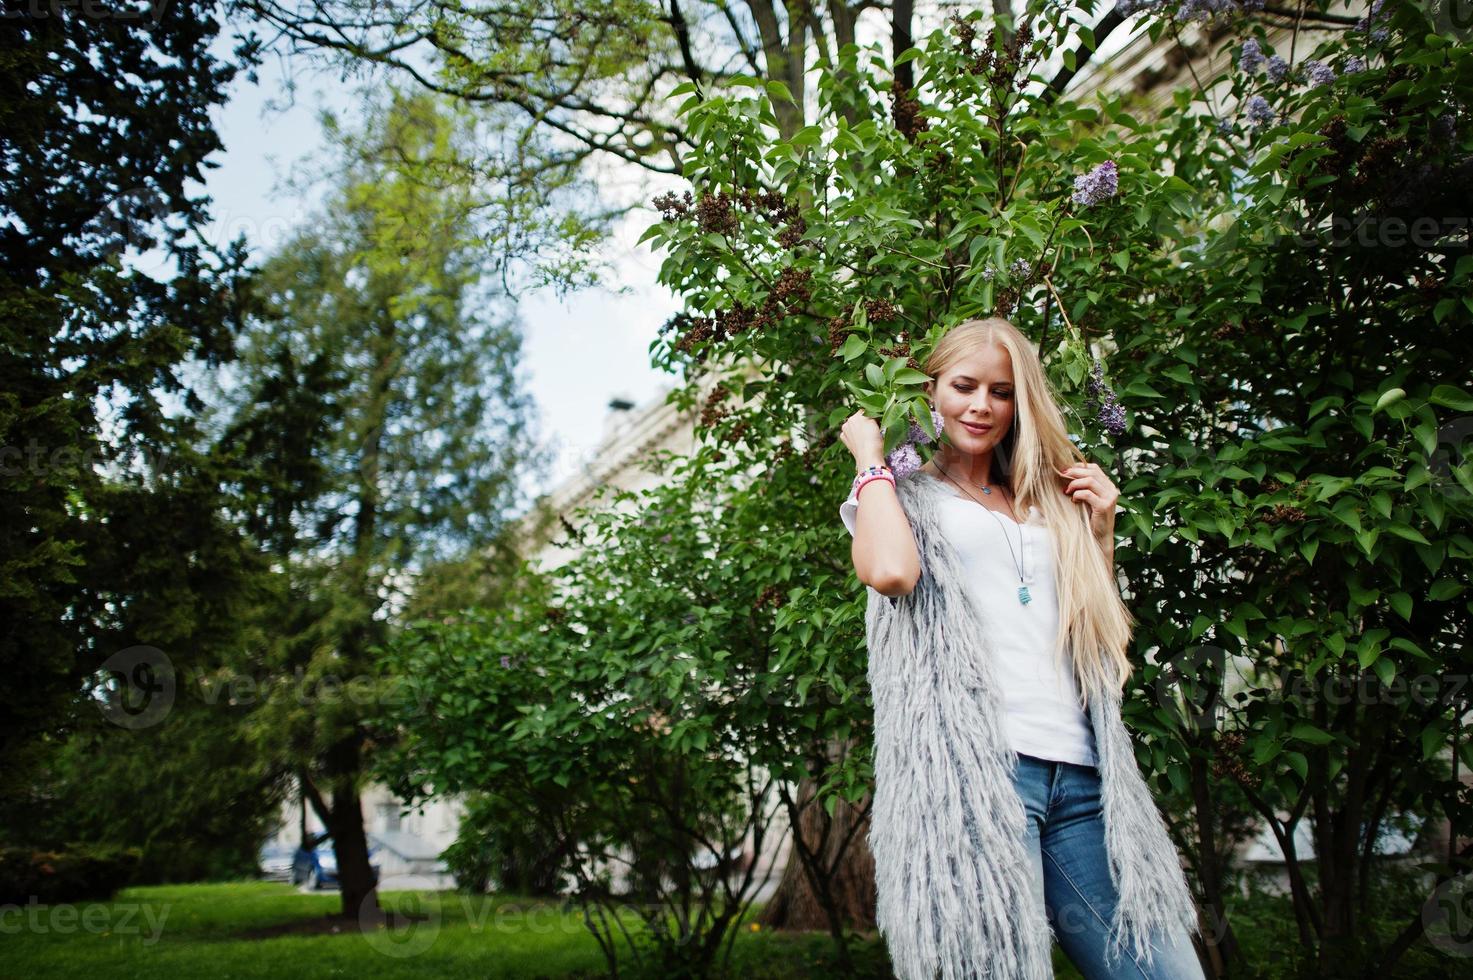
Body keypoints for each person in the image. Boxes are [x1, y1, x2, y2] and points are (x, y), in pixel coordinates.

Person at [838, 317, 1206, 980]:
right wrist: (869, 456)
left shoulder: (1049, 504)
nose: (980, 406)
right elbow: (891, 572)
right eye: (963, 386)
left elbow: (1101, 638)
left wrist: (1101, 532)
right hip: (979, 779)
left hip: (1085, 783)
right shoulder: (901, 494)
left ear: (1020, 402)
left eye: (1001, 392)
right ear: (930, 392)